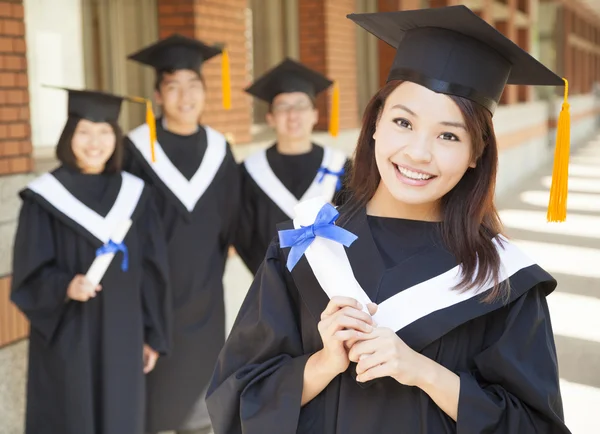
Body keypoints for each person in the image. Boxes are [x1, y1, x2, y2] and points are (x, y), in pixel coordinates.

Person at [205, 5, 572, 433]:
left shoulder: (501, 281)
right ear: (375, 123)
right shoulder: (307, 250)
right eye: (403, 122)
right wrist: (323, 364)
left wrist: (426, 374)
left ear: (476, 154)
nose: (418, 152)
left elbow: (535, 426)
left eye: (449, 135)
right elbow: (235, 396)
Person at [11, 87, 171, 434]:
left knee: (122, 416)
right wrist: (64, 286)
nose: (94, 142)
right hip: (69, 335)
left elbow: (153, 270)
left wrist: (152, 335)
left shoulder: (136, 194)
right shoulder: (45, 197)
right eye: (84, 131)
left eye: (104, 132)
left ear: (116, 137)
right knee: (71, 415)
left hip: (123, 334)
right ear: (69, 135)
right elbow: (28, 273)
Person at [123, 34, 240, 434]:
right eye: (173, 86)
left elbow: (229, 223)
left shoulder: (219, 150)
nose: (184, 95)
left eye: (193, 85)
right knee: (153, 402)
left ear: (205, 92)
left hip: (205, 297)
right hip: (149, 296)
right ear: (158, 94)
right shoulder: (136, 150)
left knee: (200, 399)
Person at [234, 58, 353, 274]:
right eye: (283, 107)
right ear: (270, 118)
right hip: (271, 284)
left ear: (315, 115)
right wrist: (268, 276)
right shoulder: (250, 171)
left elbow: (356, 226)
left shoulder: (339, 166)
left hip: (331, 285)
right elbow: (242, 236)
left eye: (301, 106)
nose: (293, 115)